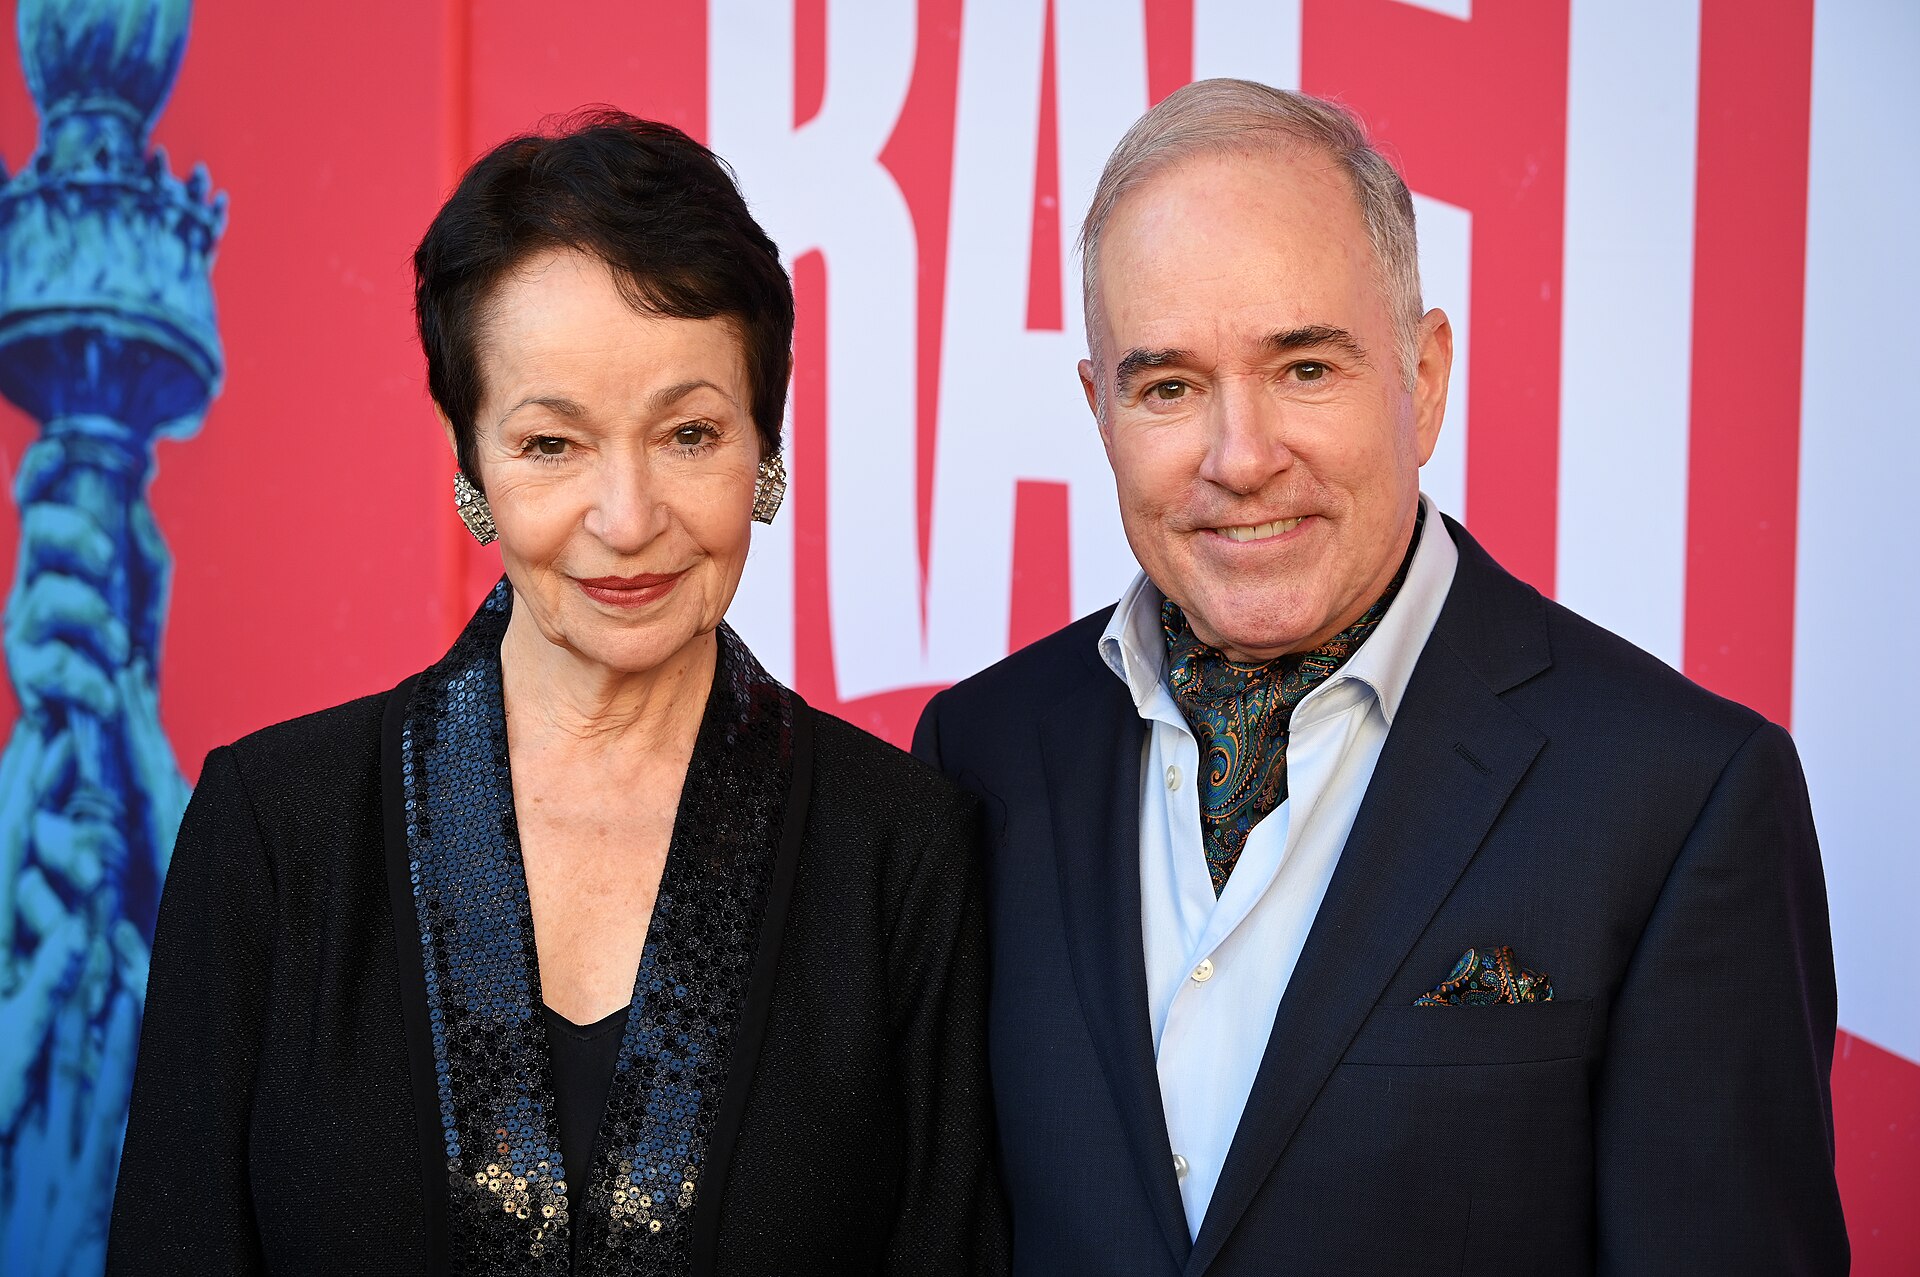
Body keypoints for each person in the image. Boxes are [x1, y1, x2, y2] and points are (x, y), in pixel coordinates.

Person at [914, 79, 1847, 1275]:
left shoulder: (1680, 794)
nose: (1241, 457)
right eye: (1169, 386)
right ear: (1100, 410)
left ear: (1426, 374)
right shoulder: (982, 753)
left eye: (1305, 367)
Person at [108, 111, 1003, 1275]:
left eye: (689, 432)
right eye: (551, 445)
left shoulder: (903, 848)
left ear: (766, 444)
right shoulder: (277, 826)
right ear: (469, 453)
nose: (626, 520)